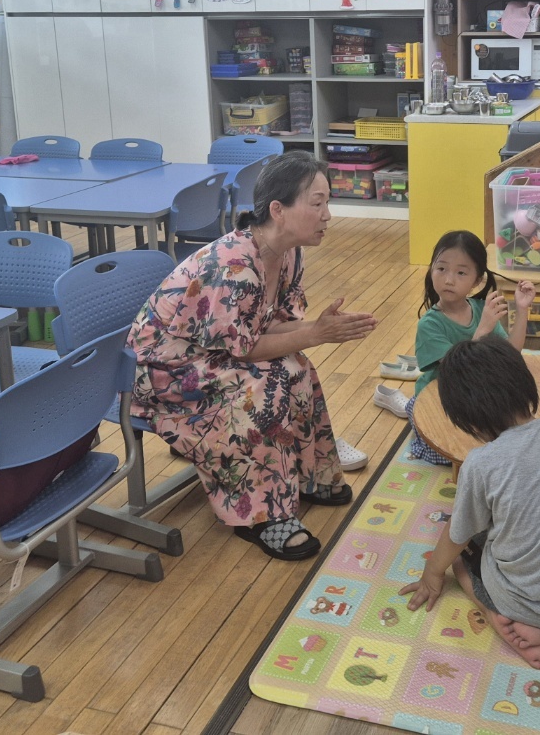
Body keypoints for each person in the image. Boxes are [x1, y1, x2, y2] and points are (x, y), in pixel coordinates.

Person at [127, 152, 377, 562]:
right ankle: (261, 514)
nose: (327, 215)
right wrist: (315, 333)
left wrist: (315, 330)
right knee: (260, 388)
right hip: (162, 371)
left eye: (327, 202)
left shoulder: (287, 251)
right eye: (317, 203)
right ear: (278, 210)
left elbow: (266, 326)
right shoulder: (234, 266)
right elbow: (244, 347)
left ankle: (304, 474)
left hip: (208, 352)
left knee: (295, 365)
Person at [400, 336, 540, 669]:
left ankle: (499, 620)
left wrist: (432, 573)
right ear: (525, 386)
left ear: (468, 421)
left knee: (459, 554)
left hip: (521, 607)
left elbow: (459, 533)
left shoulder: (481, 463)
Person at [372, 229, 535, 464]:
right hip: (441, 396)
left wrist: (522, 309)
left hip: (473, 394)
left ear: (477, 280)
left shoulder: (480, 309)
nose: (449, 280)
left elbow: (511, 353)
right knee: (455, 451)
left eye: (461, 272)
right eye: (441, 269)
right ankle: (406, 406)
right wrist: (483, 328)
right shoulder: (430, 324)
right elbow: (459, 370)